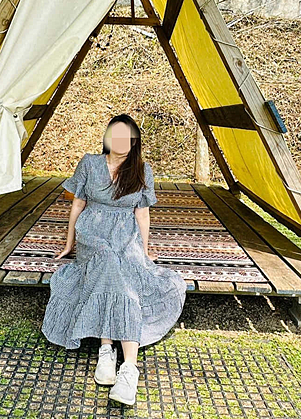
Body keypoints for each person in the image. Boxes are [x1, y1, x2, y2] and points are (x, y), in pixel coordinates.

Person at [41, 114, 187, 406]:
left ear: (134, 142)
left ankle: (121, 363)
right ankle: (115, 356)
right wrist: (69, 242)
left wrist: (143, 251)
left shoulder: (142, 170)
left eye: (127, 136)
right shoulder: (89, 163)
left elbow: (142, 213)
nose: (120, 141)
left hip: (126, 234)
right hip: (92, 232)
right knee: (108, 260)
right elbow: (78, 204)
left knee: (124, 272)